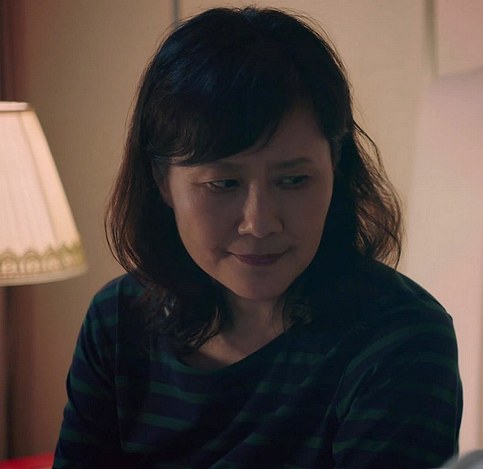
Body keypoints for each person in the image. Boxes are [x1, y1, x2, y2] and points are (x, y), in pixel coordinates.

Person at [54, 7, 462, 468]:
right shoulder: (118, 321)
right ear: (162, 181)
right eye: (223, 184)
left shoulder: (398, 341)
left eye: (294, 181)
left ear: (335, 166)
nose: (260, 223)